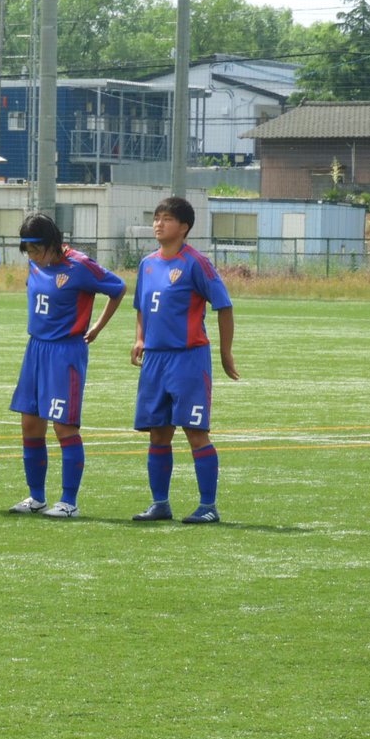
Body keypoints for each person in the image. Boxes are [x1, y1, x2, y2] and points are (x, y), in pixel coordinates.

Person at [8, 212, 125, 518]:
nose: (32, 256)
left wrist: (97, 326)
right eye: (28, 251)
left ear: (53, 244)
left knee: (64, 426)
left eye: (36, 249)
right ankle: (36, 497)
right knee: (30, 425)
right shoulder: (35, 264)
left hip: (65, 353)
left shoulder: (80, 266)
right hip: (35, 349)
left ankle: (69, 502)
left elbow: (118, 288)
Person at [131, 196, 238, 523]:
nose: (158, 224)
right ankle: (160, 503)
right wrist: (139, 339)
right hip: (155, 362)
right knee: (158, 433)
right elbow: (141, 306)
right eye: (156, 217)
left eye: (166, 219)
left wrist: (224, 352)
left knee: (195, 431)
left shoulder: (196, 263)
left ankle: (208, 507)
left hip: (188, 359)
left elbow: (224, 306)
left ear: (184, 227)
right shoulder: (147, 264)